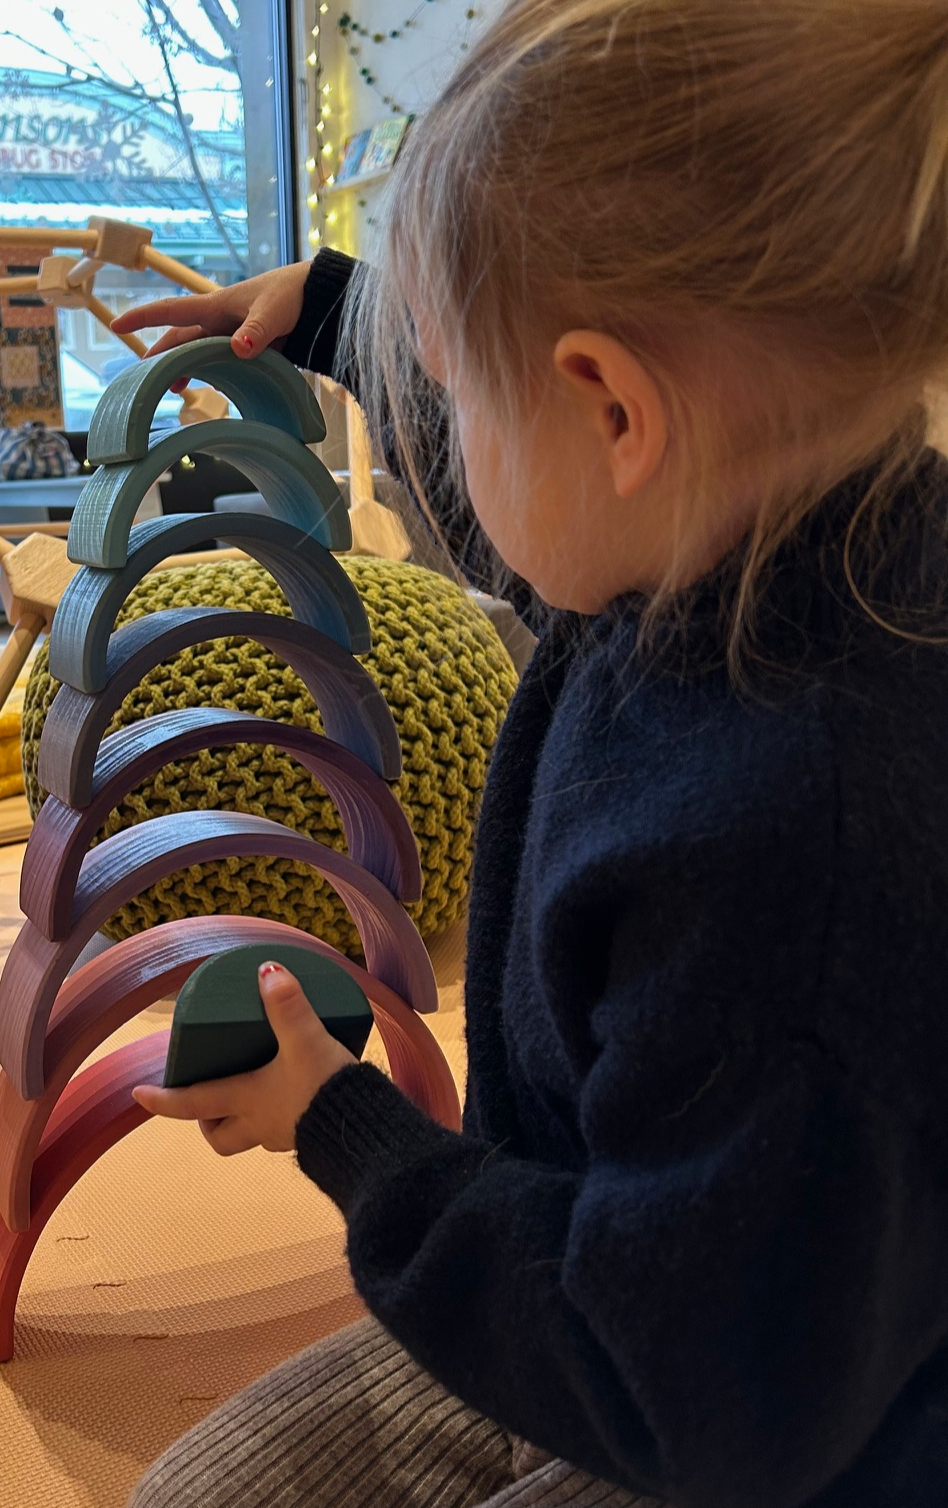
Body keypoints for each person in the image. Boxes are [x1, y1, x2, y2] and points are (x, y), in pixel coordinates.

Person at [110, 2, 948, 1505]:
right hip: (603, 1245)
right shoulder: (732, 515)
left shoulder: (788, 851)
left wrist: (344, 1130)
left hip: (728, 1403)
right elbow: (536, 489)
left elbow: (687, 1393)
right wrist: (334, 316)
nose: (449, 439)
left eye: (460, 389)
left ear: (614, 407)